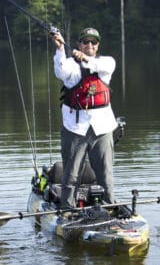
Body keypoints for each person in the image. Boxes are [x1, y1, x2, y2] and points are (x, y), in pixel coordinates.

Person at [51, 27, 118, 208]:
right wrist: (59, 49)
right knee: (71, 175)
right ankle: (67, 209)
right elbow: (60, 71)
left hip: (102, 128)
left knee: (105, 174)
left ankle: (108, 207)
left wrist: (86, 58)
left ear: (98, 46)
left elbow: (99, 66)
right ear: (79, 43)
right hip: (75, 128)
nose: (89, 45)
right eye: (85, 42)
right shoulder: (70, 65)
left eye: (93, 42)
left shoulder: (107, 62)